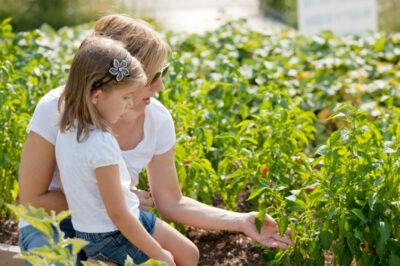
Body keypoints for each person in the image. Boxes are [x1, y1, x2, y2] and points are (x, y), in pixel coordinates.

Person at [18, 14, 292, 265]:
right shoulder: (58, 108)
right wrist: (112, 197)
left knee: (186, 256)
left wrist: (242, 220)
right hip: (52, 223)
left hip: (117, 221)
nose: (160, 85)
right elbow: (31, 200)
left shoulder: (157, 119)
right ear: (113, 81)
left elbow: (171, 202)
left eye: (164, 72)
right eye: (153, 76)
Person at [55, 34, 183, 265]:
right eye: (125, 97)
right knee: (172, 259)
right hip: (110, 234)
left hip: (88, 229)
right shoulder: (102, 143)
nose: (129, 104)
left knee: (188, 252)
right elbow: (118, 214)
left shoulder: (69, 129)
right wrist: (160, 255)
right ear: (97, 96)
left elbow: (74, 187)